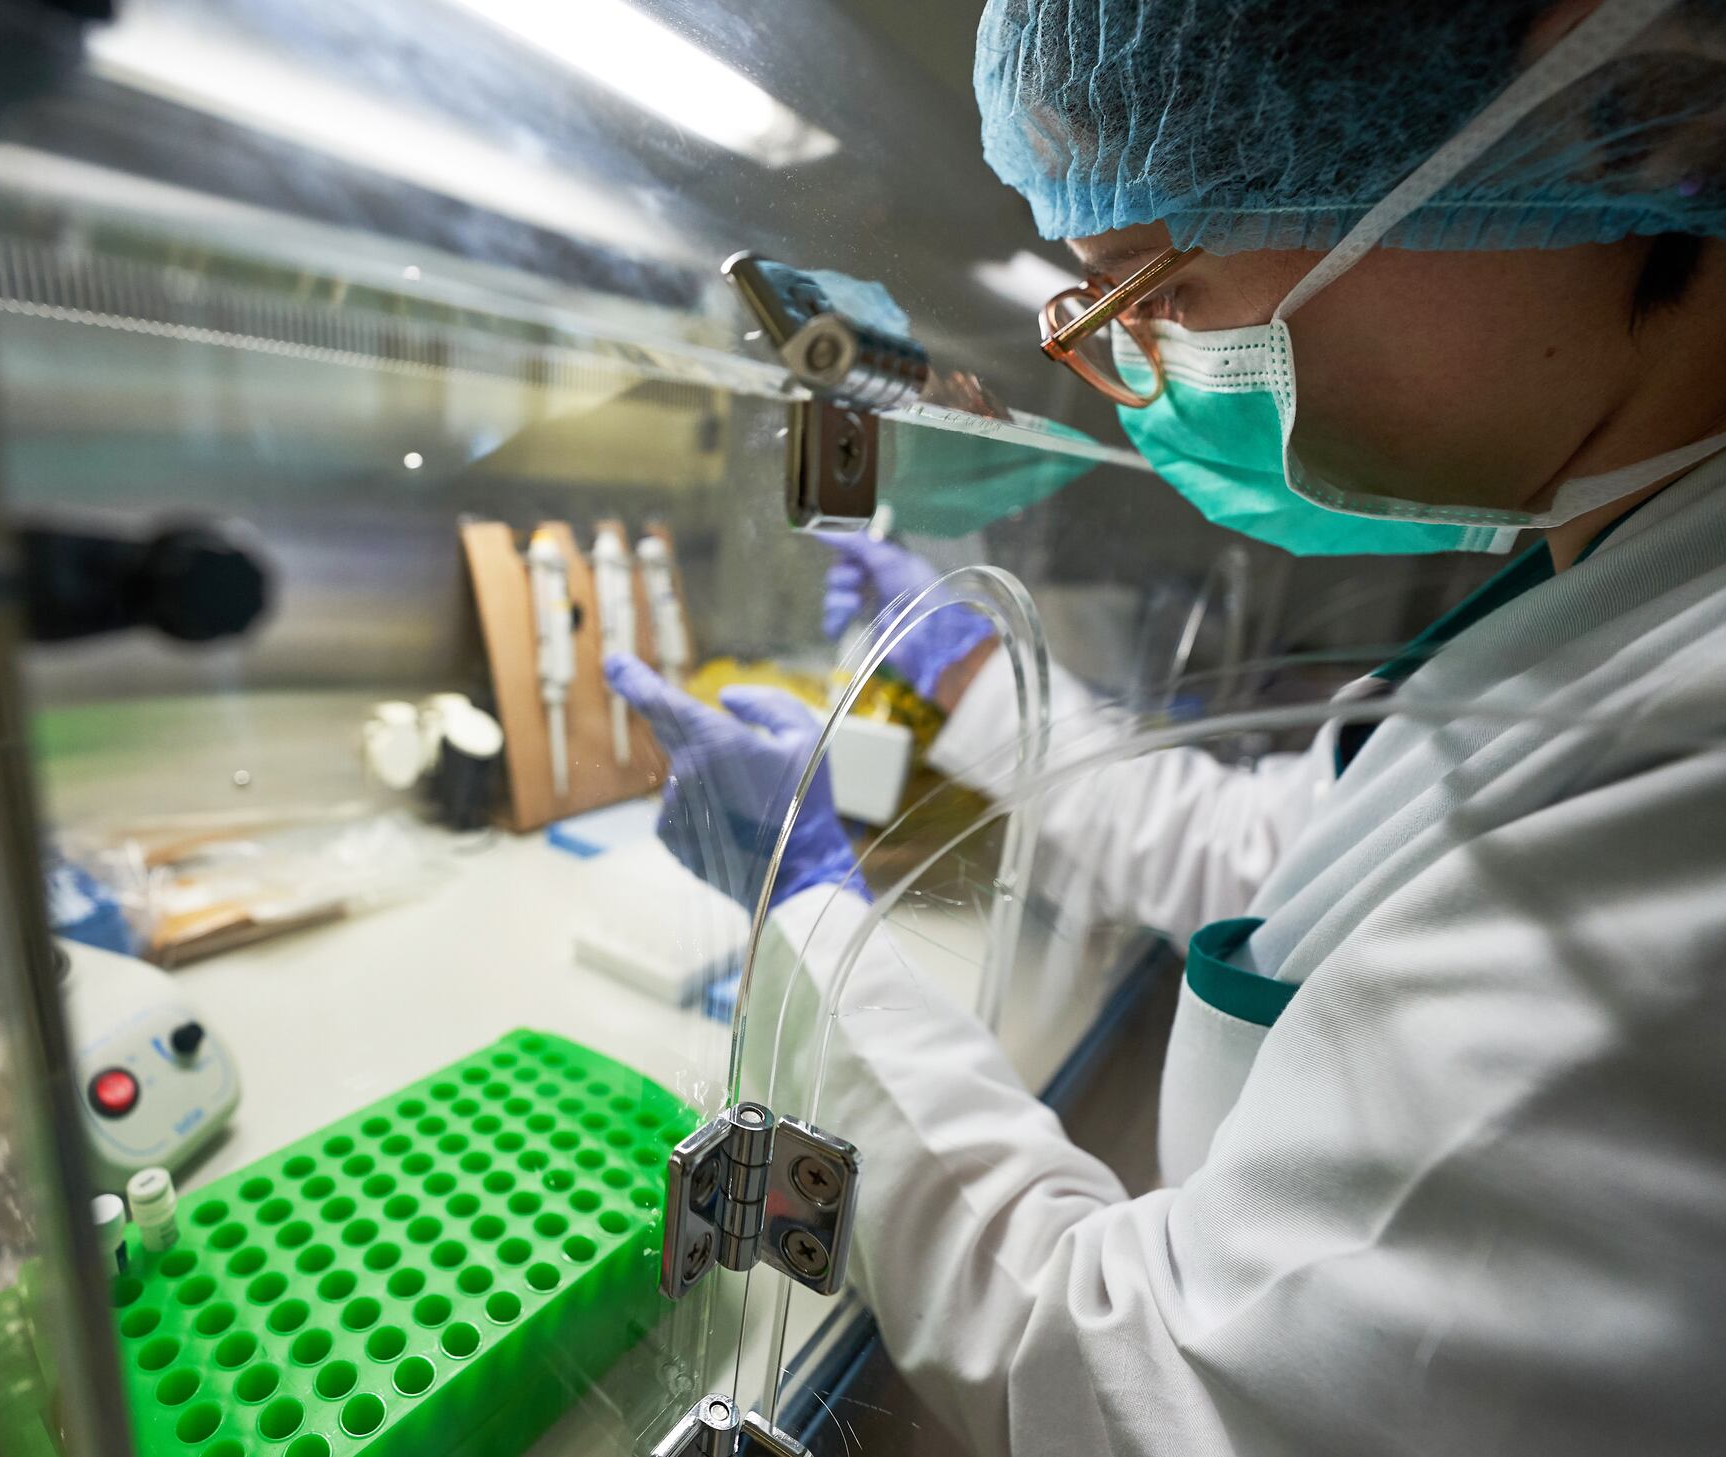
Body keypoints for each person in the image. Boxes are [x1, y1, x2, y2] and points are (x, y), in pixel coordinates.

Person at [604, 1, 1726, 1452]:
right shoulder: (1617, 577)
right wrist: (963, 677)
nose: (1151, 378)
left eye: (1161, 285)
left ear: (1617, 105)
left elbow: (1147, 1393)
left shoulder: (1686, 786)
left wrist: (811, 919)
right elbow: (1281, 863)